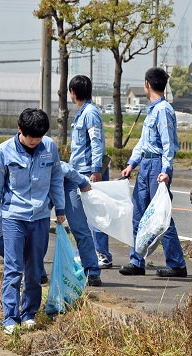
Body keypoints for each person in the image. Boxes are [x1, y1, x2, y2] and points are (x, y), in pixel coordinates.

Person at [0, 108, 65, 334]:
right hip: (13, 218)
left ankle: (29, 312)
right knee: (13, 268)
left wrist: (60, 207)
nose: (35, 141)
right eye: (31, 137)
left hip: (40, 217)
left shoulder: (49, 147)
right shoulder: (4, 151)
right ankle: (10, 317)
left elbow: (56, 178)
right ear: (20, 130)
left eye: (39, 137)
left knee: (34, 269)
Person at [120, 67, 187, 278]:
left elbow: (168, 144)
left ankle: (177, 264)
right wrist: (131, 164)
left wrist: (166, 170)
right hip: (146, 166)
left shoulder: (163, 109)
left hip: (158, 166)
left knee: (160, 215)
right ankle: (136, 260)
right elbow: (143, 143)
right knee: (138, 214)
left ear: (147, 84)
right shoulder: (152, 110)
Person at [68, 75, 112, 269]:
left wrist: (96, 170)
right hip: (80, 170)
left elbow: (96, 143)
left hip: (89, 171)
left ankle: (101, 253)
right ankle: (86, 253)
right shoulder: (83, 112)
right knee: (84, 216)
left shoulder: (90, 113)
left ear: (73, 92)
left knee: (96, 214)